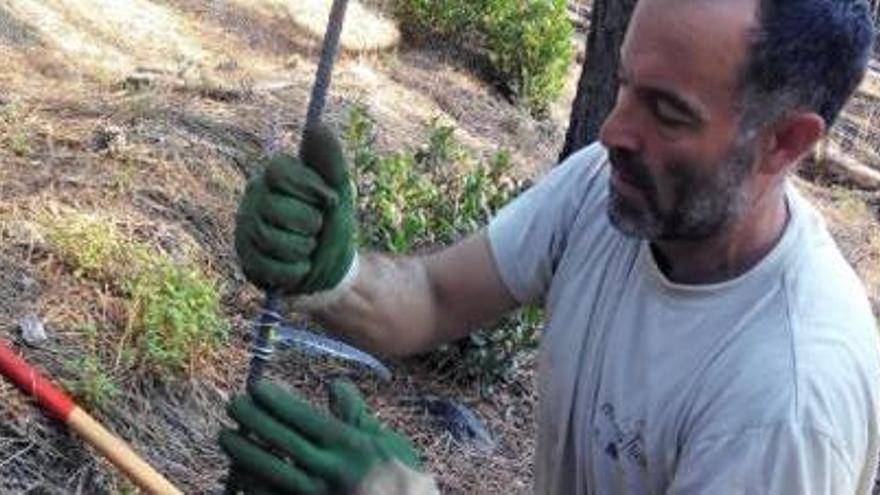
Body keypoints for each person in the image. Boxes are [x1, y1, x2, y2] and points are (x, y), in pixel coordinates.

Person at [220, 0, 880, 492]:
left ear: (785, 142)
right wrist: (333, 274)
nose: (614, 128)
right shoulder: (614, 188)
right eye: (624, 84)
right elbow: (433, 297)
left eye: (668, 111)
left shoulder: (787, 403)